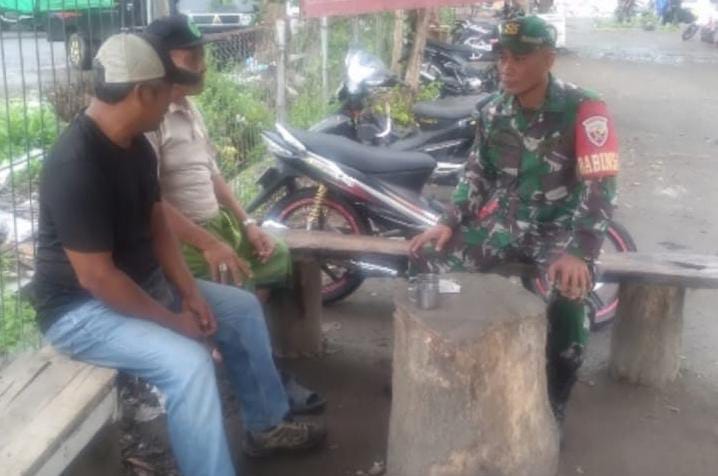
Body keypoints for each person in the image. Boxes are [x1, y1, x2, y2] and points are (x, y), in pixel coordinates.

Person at [32, 33, 325, 476]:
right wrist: (174, 323)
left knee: (242, 309)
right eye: (167, 89)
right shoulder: (76, 164)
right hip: (79, 312)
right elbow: (98, 278)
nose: (174, 98)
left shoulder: (135, 146)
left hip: (139, 287)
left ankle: (265, 426)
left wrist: (190, 294)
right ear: (143, 93)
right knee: (189, 366)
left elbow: (159, 227)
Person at [409, 16, 618, 425]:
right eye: (503, 57)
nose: (507, 67)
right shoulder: (493, 110)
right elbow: (477, 174)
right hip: (502, 225)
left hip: (560, 231)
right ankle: (441, 363)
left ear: (548, 59)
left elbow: (601, 185)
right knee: (426, 257)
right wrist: (449, 221)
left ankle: (555, 396)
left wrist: (580, 252)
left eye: (519, 58)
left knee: (570, 298)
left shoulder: (584, 108)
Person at [143, 15, 325, 414]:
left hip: (217, 227)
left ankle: (228, 343)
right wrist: (208, 243)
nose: (203, 64)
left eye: (202, 53)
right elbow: (151, 203)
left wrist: (248, 223)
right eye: (192, 56)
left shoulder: (190, 108)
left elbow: (213, 175)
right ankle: (252, 367)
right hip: (182, 241)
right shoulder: (151, 121)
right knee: (239, 290)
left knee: (276, 255)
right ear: (162, 61)